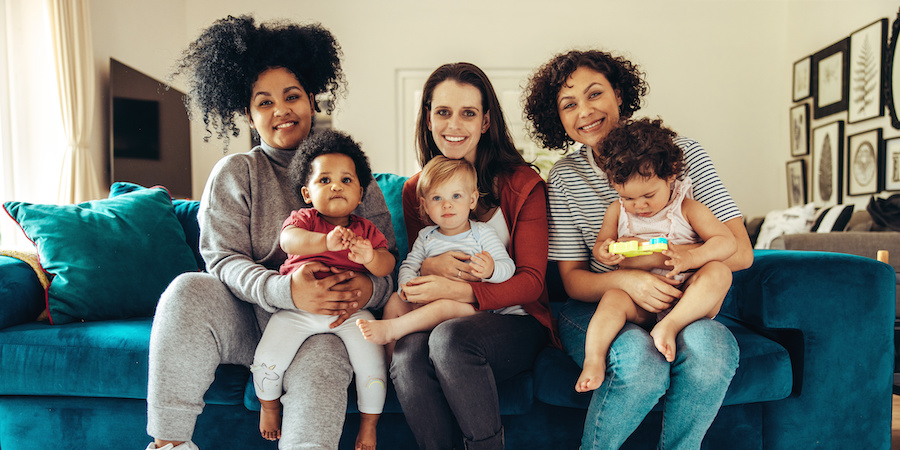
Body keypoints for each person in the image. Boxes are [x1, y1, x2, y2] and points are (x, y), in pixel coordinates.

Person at [146, 16, 397, 450]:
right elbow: (222, 261)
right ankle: (170, 443)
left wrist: (365, 288)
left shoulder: (357, 178)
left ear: (312, 101)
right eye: (264, 102)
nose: (280, 109)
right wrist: (285, 290)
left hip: (326, 324)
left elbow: (388, 266)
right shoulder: (236, 172)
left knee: (326, 357)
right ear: (248, 113)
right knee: (186, 290)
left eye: (292, 96)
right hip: (249, 314)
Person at [523, 49, 753, 449]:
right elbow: (573, 281)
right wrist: (629, 279)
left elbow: (740, 253)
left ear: (618, 93)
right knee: (638, 362)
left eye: (596, 94)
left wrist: (675, 264)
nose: (585, 112)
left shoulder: (681, 156)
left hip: (683, 293)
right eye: (568, 104)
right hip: (606, 303)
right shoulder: (565, 177)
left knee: (711, 349)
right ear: (556, 118)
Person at [389, 62, 554, 450]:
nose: (454, 124)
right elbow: (423, 254)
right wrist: (429, 268)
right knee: (408, 353)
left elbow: (532, 281)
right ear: (428, 118)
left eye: (468, 113)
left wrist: (467, 292)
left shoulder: (522, 183)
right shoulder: (418, 189)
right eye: (443, 112)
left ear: (485, 122)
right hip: (443, 312)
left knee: (450, 340)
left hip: (514, 321)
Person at [252, 129, 393, 449]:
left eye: (346, 180)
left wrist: (370, 257)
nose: (335, 186)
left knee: (372, 366)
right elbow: (288, 240)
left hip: (351, 312)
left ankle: (369, 425)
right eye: (324, 180)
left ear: (360, 194)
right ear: (307, 192)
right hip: (297, 310)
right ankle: (269, 406)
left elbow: (387, 265)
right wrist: (324, 241)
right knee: (268, 358)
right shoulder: (304, 219)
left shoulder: (365, 229)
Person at [576, 118, 737, 393]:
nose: (639, 206)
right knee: (612, 297)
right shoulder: (617, 211)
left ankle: (670, 326)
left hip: (686, 298)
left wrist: (691, 259)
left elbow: (727, 243)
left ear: (670, 174)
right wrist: (604, 251)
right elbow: (603, 243)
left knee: (720, 273)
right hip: (639, 302)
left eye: (649, 195)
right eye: (628, 198)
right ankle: (593, 359)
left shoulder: (688, 208)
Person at [355, 156, 515, 348]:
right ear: (425, 206)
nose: (446, 204)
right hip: (427, 302)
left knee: (443, 306)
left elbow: (508, 267)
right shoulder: (426, 236)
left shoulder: (482, 233)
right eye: (437, 198)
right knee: (394, 301)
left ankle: (393, 329)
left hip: (470, 308)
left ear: (472, 200)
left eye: (456, 196)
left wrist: (491, 270)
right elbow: (409, 264)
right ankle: (389, 368)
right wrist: (406, 287)